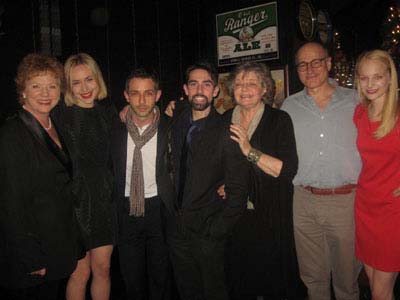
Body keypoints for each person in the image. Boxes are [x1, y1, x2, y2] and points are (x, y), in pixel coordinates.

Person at [281, 42, 362, 300]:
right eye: (303, 64)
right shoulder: (288, 106)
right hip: (303, 201)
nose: (310, 68)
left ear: (328, 63)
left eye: (316, 61)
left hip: (346, 202)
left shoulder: (356, 100)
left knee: (346, 281)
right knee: (313, 280)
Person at [0, 53, 81, 299]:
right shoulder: (11, 134)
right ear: (22, 91)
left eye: (52, 86)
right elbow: (10, 203)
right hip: (33, 256)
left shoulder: (54, 124)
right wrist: (30, 257)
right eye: (36, 86)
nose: (45, 93)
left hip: (56, 246)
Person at [167, 61, 249, 300]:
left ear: (215, 90)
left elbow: (238, 191)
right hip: (176, 230)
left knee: (214, 292)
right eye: (193, 84)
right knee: (186, 290)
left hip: (208, 231)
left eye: (206, 84)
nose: (199, 90)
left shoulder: (227, 132)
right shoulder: (177, 121)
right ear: (185, 89)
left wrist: (216, 231)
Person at [222, 61, 303, 300]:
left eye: (251, 83)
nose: (244, 89)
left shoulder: (279, 120)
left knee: (274, 281)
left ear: (265, 89)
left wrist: (249, 150)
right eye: (238, 83)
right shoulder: (225, 119)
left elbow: (286, 170)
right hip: (235, 214)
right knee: (240, 279)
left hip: (271, 214)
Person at [53, 53, 116, 300]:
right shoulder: (59, 115)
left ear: (97, 79)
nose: (84, 88)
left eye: (89, 79)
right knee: (79, 272)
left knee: (103, 269)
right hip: (73, 204)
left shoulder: (110, 113)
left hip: (104, 203)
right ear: (68, 86)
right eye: (76, 82)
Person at [111, 68, 175, 300]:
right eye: (135, 94)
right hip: (127, 210)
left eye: (148, 93)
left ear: (158, 95)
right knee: (131, 278)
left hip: (160, 210)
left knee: (161, 276)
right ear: (126, 96)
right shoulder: (114, 128)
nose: (141, 100)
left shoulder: (171, 126)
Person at [353, 49, 400, 300]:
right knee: (373, 282)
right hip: (365, 205)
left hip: (393, 210)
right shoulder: (360, 114)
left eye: (377, 77)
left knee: (381, 292)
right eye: (364, 78)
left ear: (390, 77)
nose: (370, 84)